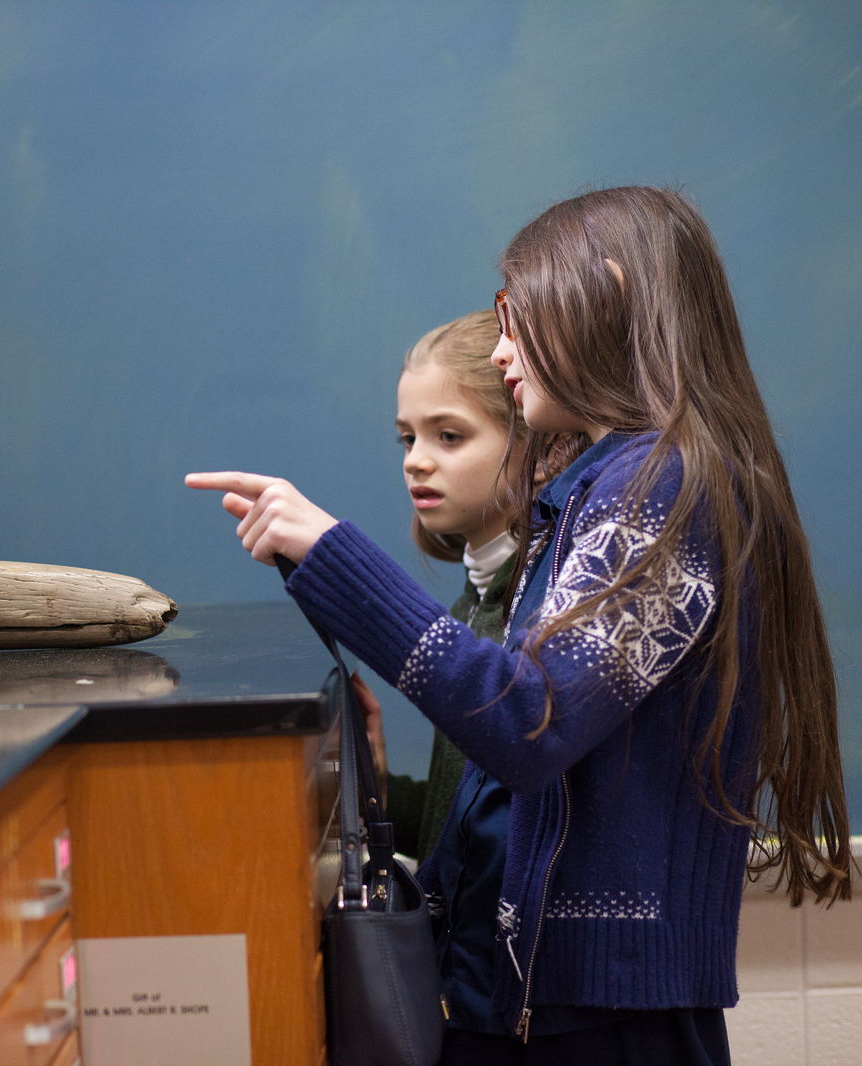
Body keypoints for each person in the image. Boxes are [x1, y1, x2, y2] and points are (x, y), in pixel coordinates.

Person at [187, 185, 850, 1065]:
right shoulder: (609, 487)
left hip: (601, 1022)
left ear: (606, 292)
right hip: (547, 1006)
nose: (502, 349)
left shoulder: (663, 485)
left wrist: (334, 552)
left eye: (516, 316)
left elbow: (526, 721)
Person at [393, 309, 550, 860]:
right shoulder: (474, 601)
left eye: (449, 436)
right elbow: (454, 832)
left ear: (535, 449)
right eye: (408, 439)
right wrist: (367, 772)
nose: (416, 462)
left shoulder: (532, 609)